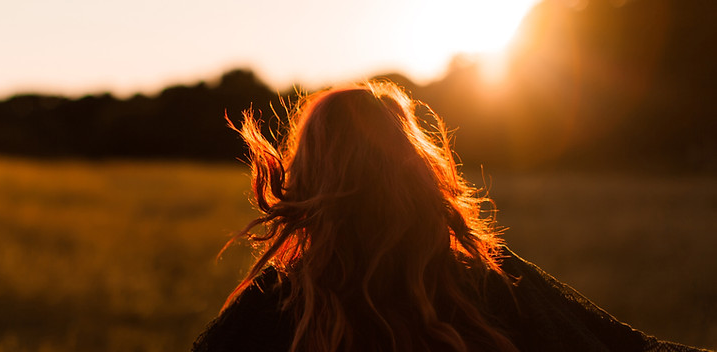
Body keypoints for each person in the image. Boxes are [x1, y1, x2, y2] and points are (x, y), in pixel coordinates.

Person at [192, 82, 709, 352]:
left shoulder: (268, 313)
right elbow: (631, 350)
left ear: (307, 178)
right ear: (417, 173)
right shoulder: (490, 284)